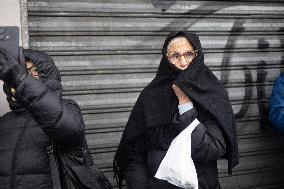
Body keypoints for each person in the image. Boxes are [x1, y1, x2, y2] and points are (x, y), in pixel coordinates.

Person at [113, 31, 239, 189]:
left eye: (189, 54)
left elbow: (212, 148)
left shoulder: (212, 92)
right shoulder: (151, 95)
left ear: (198, 56)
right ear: (166, 59)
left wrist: (185, 105)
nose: (183, 62)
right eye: (176, 56)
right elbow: (133, 153)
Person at [0, 48, 110, 189]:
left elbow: (66, 127)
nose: (26, 77)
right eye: (21, 72)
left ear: (47, 74)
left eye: (33, 71)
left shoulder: (67, 109)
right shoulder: (4, 122)